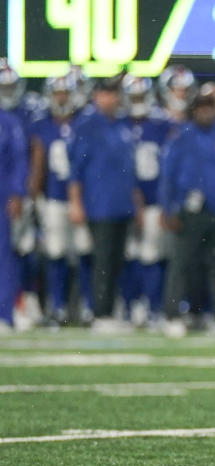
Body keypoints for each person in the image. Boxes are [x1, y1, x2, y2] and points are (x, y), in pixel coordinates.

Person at [160, 83, 215, 337]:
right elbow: (168, 175)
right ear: (194, 109)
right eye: (201, 107)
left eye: (209, 107)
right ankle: (172, 315)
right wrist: (168, 209)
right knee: (182, 265)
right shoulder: (182, 135)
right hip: (190, 210)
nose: (205, 112)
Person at [68, 74, 137, 333]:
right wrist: (76, 203)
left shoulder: (121, 124)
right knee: (103, 261)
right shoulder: (86, 125)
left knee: (117, 261)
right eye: (107, 93)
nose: (112, 98)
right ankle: (100, 313)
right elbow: (76, 170)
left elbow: (130, 171)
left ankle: (110, 310)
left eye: (115, 93)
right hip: (99, 204)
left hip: (122, 204)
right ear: (96, 95)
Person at [31, 73, 94, 327]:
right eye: (57, 93)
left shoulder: (84, 123)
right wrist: (35, 198)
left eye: (65, 93)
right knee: (56, 254)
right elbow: (37, 165)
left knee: (85, 252)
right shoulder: (42, 125)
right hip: (54, 198)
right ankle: (56, 307)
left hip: (83, 199)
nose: (61, 98)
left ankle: (87, 307)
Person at [121, 74, 173, 329]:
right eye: (134, 97)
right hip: (122, 202)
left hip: (153, 200)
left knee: (151, 255)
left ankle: (152, 306)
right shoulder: (118, 124)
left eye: (141, 97)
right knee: (130, 255)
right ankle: (132, 305)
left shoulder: (161, 124)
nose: (138, 102)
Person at [0, 84, 27, 332]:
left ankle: (4, 313)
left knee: (4, 256)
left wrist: (16, 193)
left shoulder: (8, 122)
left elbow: (18, 160)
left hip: (2, 196)